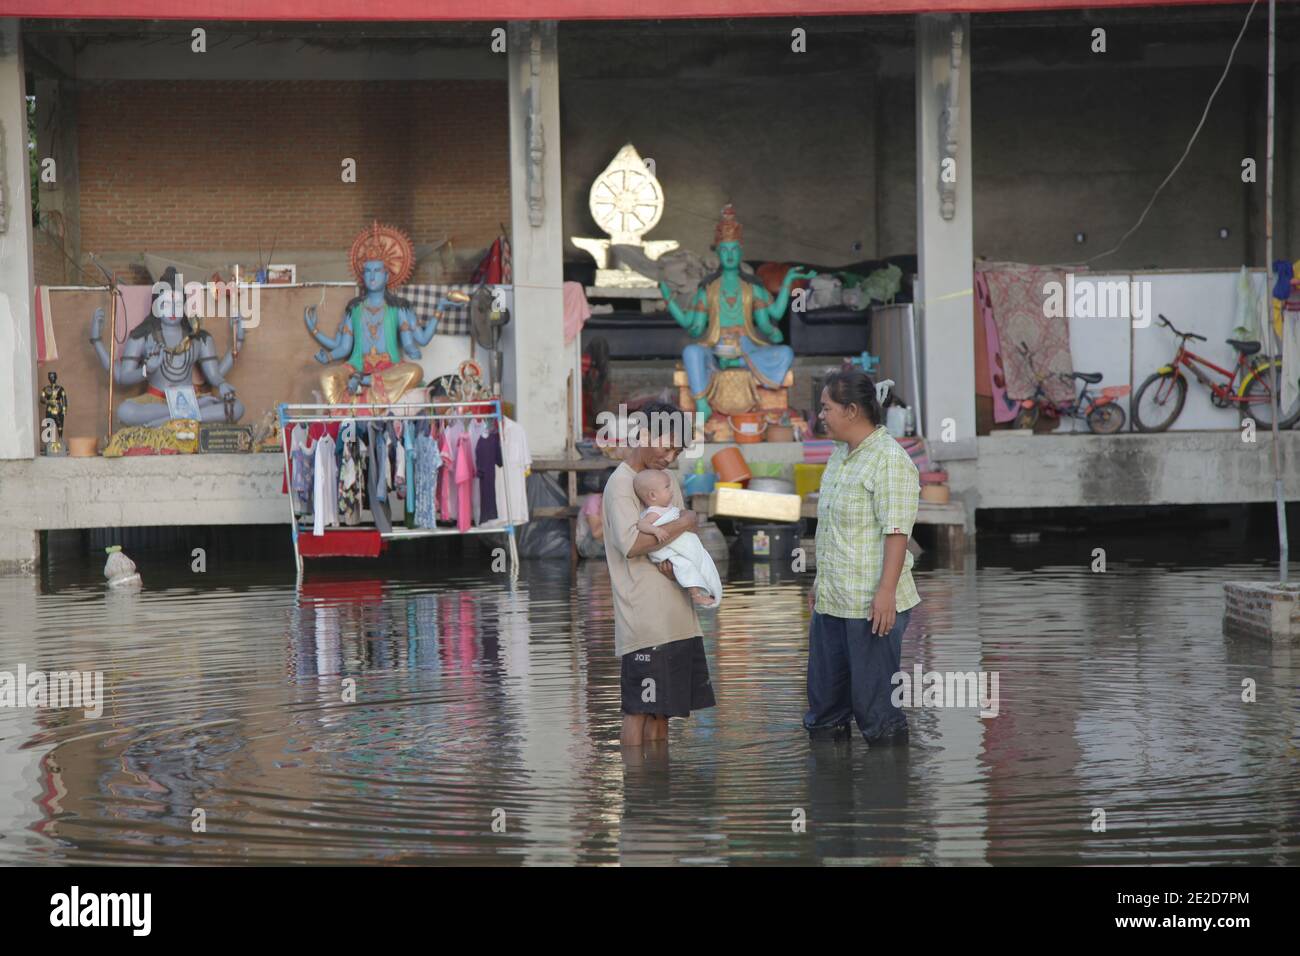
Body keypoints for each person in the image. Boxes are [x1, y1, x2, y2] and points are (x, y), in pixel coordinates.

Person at [805, 369, 921, 746]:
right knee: (824, 710)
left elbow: (897, 531)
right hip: (833, 601)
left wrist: (886, 592)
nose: (821, 415)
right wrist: (819, 582)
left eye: (827, 408)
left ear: (852, 410)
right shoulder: (839, 457)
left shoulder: (889, 459)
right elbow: (831, 530)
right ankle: (831, 796)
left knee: (876, 713)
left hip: (872, 606)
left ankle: (886, 794)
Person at [602, 401, 716, 746]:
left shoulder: (666, 482)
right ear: (644, 435)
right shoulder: (621, 485)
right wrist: (687, 521)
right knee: (638, 710)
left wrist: (683, 529)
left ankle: (658, 791)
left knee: (663, 713)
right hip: (645, 621)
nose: (669, 458)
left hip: (677, 614)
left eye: (676, 451)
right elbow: (633, 543)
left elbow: (681, 533)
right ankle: (638, 789)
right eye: (666, 447)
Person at [633, 469, 722, 608]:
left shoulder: (666, 508)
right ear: (653, 495)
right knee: (685, 566)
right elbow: (642, 524)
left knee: (698, 562)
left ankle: (709, 588)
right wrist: (656, 530)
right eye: (667, 487)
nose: (672, 491)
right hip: (667, 550)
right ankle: (696, 595)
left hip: (674, 547)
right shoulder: (654, 512)